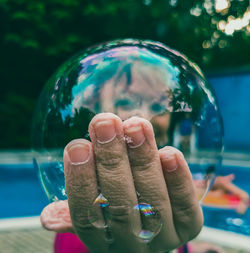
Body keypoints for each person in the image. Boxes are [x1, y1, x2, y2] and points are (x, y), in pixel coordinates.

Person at [40, 113, 203, 253]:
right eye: (124, 101)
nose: (142, 115)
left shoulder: (173, 193)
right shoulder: (78, 234)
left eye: (158, 109)